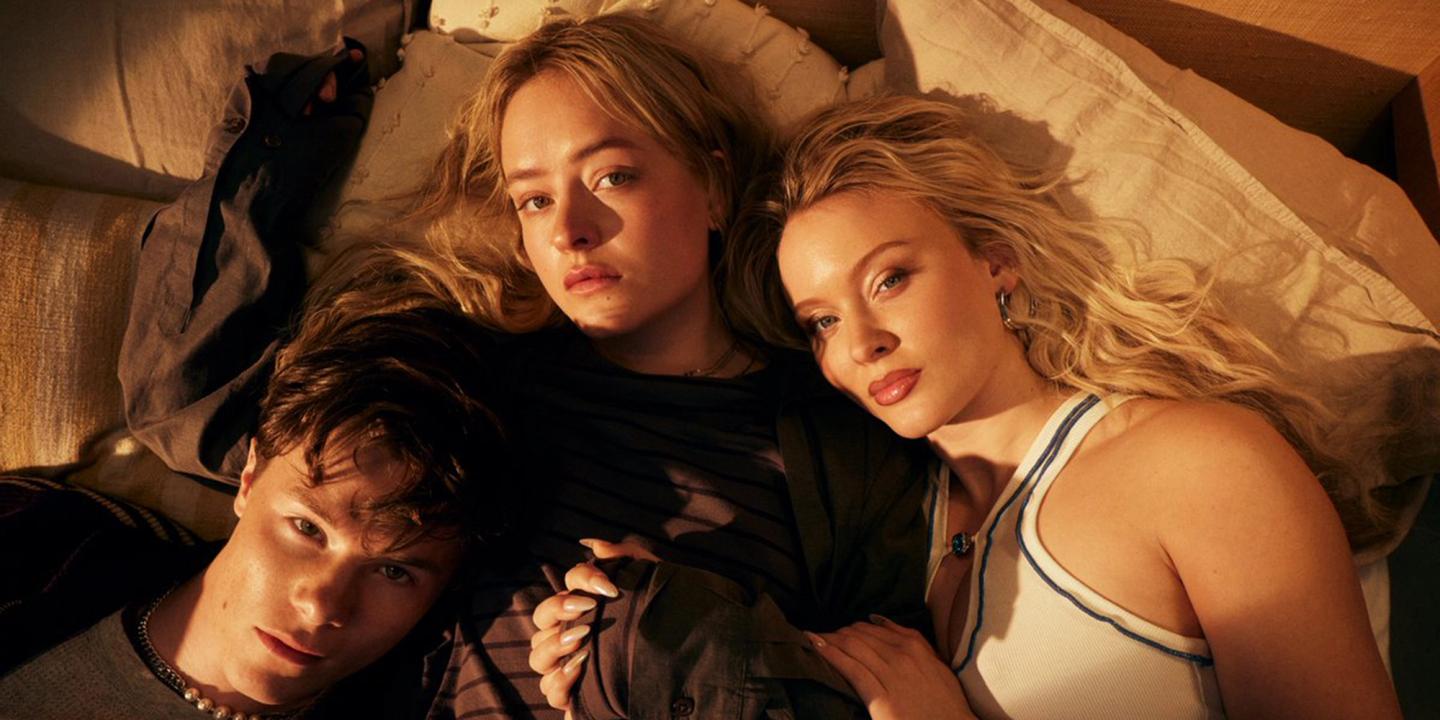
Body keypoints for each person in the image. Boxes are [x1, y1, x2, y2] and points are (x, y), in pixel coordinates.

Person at [118, 16, 933, 718]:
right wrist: (276, 144)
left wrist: (667, 634)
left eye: (612, 176)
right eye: (535, 199)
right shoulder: (477, 387)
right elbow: (195, 404)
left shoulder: (837, 442)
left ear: (715, 184)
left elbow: (878, 683)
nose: (569, 230)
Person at [535, 94, 1406, 719]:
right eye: (822, 323)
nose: (861, 343)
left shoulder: (1193, 464)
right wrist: (631, 626)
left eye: (890, 279)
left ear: (995, 263)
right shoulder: (882, 545)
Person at [1, 272, 516, 719]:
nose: (320, 606)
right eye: (308, 528)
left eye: (393, 571)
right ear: (250, 477)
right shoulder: (37, 540)